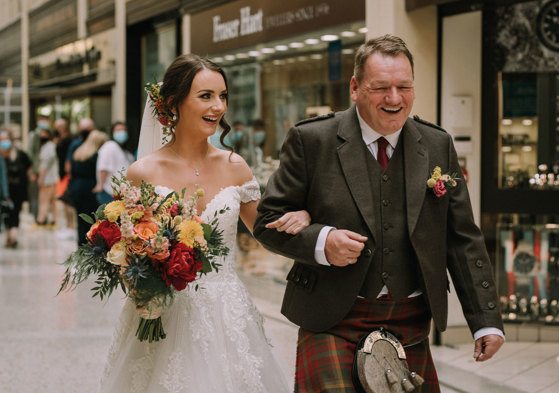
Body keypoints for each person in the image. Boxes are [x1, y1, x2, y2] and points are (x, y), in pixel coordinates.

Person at [253, 34, 504, 392]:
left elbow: (462, 238)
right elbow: (267, 221)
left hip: (411, 318)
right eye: (380, 87)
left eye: (404, 86)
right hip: (332, 317)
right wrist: (323, 241)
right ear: (355, 88)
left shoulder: (436, 144)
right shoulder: (313, 140)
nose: (394, 98)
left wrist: (485, 320)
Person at [98, 54, 311, 393]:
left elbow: (267, 231)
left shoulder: (235, 166)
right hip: (161, 313)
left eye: (223, 95)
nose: (218, 106)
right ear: (174, 103)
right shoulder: (143, 173)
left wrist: (305, 217)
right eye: (206, 96)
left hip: (226, 315)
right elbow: (123, 250)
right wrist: (142, 279)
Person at [69, 129, 108, 245]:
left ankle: (81, 242)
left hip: (76, 186)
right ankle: (90, 242)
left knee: (80, 217)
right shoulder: (96, 155)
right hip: (89, 188)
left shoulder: (79, 152)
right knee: (91, 218)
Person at [0, 130, 32, 247]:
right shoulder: (2, 157)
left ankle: (13, 237)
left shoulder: (20, 154)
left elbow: (29, 166)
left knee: (14, 213)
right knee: (5, 214)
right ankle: (9, 237)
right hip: (4, 192)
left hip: (16, 191)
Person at [92, 121, 135, 204]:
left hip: (122, 194)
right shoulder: (110, 146)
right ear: (112, 133)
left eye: (124, 130)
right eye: (118, 130)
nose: (121, 133)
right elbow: (104, 168)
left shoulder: (126, 151)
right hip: (109, 192)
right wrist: (100, 185)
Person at [54, 118, 76, 240]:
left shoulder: (68, 141)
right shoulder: (60, 140)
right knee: (64, 200)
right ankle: (68, 226)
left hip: (67, 175)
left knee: (67, 201)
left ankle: (71, 227)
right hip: (61, 175)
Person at [27, 114, 50, 220]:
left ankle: (42, 216)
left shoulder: (47, 134)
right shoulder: (33, 135)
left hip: (44, 170)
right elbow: (30, 154)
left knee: (43, 195)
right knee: (35, 194)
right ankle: (37, 217)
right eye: (43, 120)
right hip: (36, 170)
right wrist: (31, 171)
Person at [36, 128, 58, 226]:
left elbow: (44, 165)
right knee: (52, 200)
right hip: (53, 178)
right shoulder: (52, 146)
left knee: (43, 200)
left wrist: (41, 178)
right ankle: (54, 219)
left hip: (47, 179)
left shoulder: (47, 147)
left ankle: (41, 219)